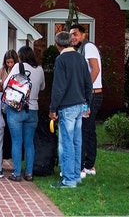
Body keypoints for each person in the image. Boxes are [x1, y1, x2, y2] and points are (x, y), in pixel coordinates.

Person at [49, 31, 93, 188]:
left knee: (67, 143)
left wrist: (53, 108)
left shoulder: (61, 60)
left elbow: (59, 87)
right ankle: (75, 176)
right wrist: (87, 104)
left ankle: (68, 180)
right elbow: (88, 83)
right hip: (80, 105)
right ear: (70, 42)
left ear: (56, 44)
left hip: (66, 106)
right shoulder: (80, 58)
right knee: (76, 142)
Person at [3, 45, 46, 182]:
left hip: (17, 108)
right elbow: (42, 87)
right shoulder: (39, 69)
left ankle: (16, 173)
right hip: (33, 109)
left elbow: (6, 85)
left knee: (17, 141)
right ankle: (29, 173)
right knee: (29, 143)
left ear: (20, 57)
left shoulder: (17, 67)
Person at [70, 24, 102, 177]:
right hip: (90, 94)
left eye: (75, 34)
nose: (73, 37)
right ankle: (90, 165)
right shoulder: (82, 49)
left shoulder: (88, 47)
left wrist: (85, 91)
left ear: (83, 35)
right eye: (71, 35)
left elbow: (95, 69)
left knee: (84, 129)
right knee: (89, 130)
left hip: (92, 95)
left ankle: (82, 166)